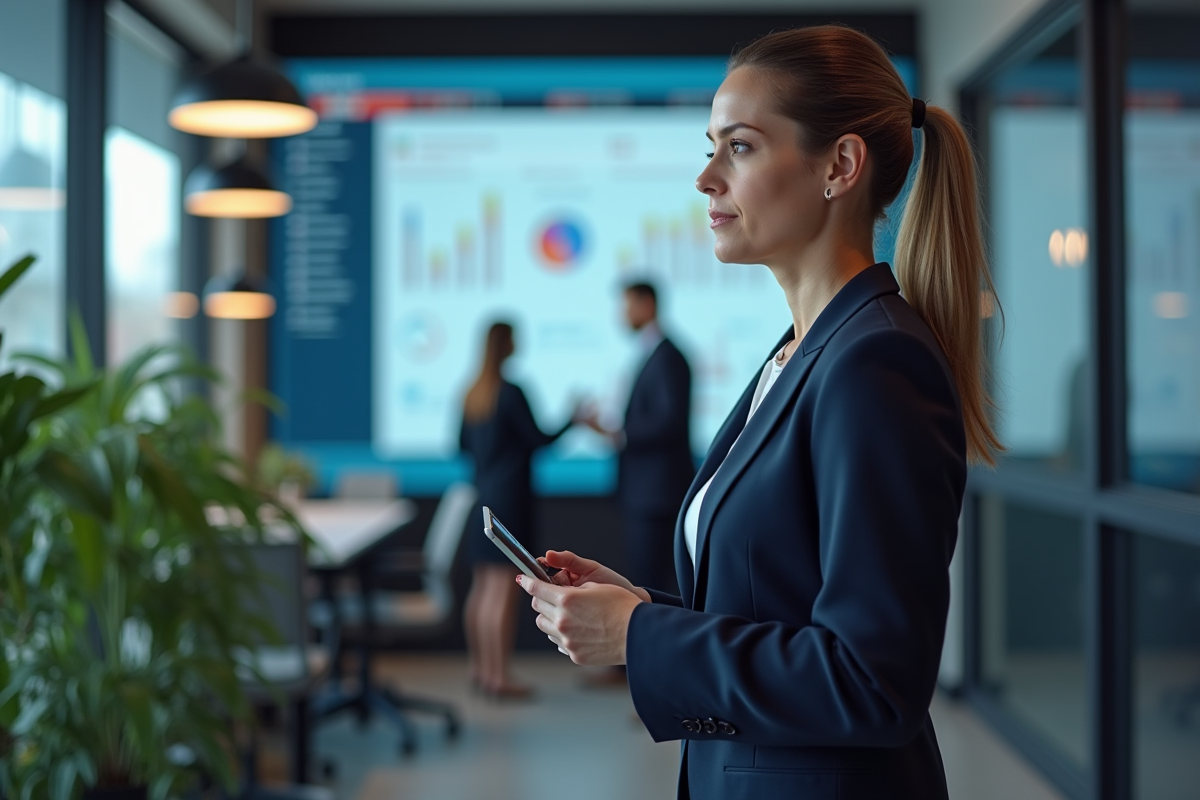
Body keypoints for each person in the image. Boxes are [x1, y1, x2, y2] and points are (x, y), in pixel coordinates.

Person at [518, 25, 1003, 800]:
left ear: (839, 166)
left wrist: (642, 638)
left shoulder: (874, 363)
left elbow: (872, 682)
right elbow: (780, 605)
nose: (706, 177)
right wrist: (641, 609)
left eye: (738, 148)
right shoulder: (799, 353)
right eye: (711, 147)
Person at [459, 321, 578, 698]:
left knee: (481, 588)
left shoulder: (473, 393)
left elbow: (460, 446)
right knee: (502, 590)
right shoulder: (511, 392)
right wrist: (573, 419)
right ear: (506, 345)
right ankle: (499, 677)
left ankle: (481, 671)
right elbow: (537, 439)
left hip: (484, 496)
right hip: (511, 499)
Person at [586, 282, 694, 596]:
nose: (622, 315)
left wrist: (618, 433)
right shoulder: (654, 353)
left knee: (652, 585)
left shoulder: (667, 356)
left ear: (647, 305)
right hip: (647, 493)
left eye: (627, 306)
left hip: (656, 496)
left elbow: (669, 421)